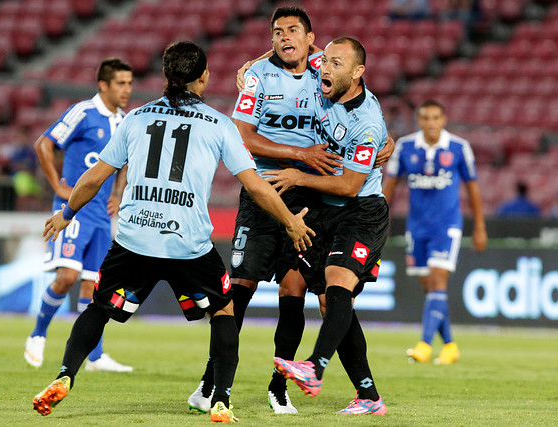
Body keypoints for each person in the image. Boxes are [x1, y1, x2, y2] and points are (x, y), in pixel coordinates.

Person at [31, 40, 315, 423]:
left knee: (99, 306)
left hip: (134, 238)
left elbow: (95, 176)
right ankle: (221, 399)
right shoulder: (218, 123)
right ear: (204, 77)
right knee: (223, 310)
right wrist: (291, 221)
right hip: (188, 243)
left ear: (166, 76)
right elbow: (258, 186)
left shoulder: (135, 117)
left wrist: (67, 212)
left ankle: (65, 374)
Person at [188, 6, 394, 415]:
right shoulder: (258, 77)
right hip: (266, 190)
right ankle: (211, 383)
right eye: (277, 32)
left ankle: (283, 385)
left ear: (310, 38)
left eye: (293, 31)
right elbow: (242, 136)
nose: (285, 38)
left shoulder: (324, 69)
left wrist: (383, 141)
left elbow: (357, 90)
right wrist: (298, 155)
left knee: (303, 291)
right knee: (241, 289)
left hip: (314, 199)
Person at [267, 37, 390, 415]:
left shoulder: (366, 123)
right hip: (325, 210)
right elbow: (294, 44)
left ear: (357, 74)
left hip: (361, 210)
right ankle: (368, 397)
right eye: (326, 61)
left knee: (337, 282)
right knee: (308, 291)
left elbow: (350, 185)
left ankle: (315, 368)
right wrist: (250, 65)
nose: (325, 68)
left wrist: (298, 177)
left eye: (337, 64)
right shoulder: (325, 74)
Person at [24, 58, 134, 372]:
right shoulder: (83, 113)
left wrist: (117, 193)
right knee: (67, 277)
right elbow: (43, 144)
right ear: (103, 85)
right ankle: (38, 333)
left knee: (93, 288)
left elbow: (124, 161)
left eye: (129, 83)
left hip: (101, 217)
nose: (127, 89)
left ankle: (95, 357)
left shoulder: (124, 120)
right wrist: (58, 186)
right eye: (121, 83)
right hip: (74, 213)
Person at [382, 99, 487, 364]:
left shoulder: (459, 148)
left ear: (444, 120)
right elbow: (389, 188)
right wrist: (377, 222)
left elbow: (472, 189)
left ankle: (425, 345)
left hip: (447, 226)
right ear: (419, 121)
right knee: (430, 289)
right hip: (417, 227)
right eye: (426, 118)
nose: (431, 123)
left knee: (438, 281)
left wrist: (479, 227)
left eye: (436, 118)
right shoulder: (405, 147)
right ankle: (450, 345)